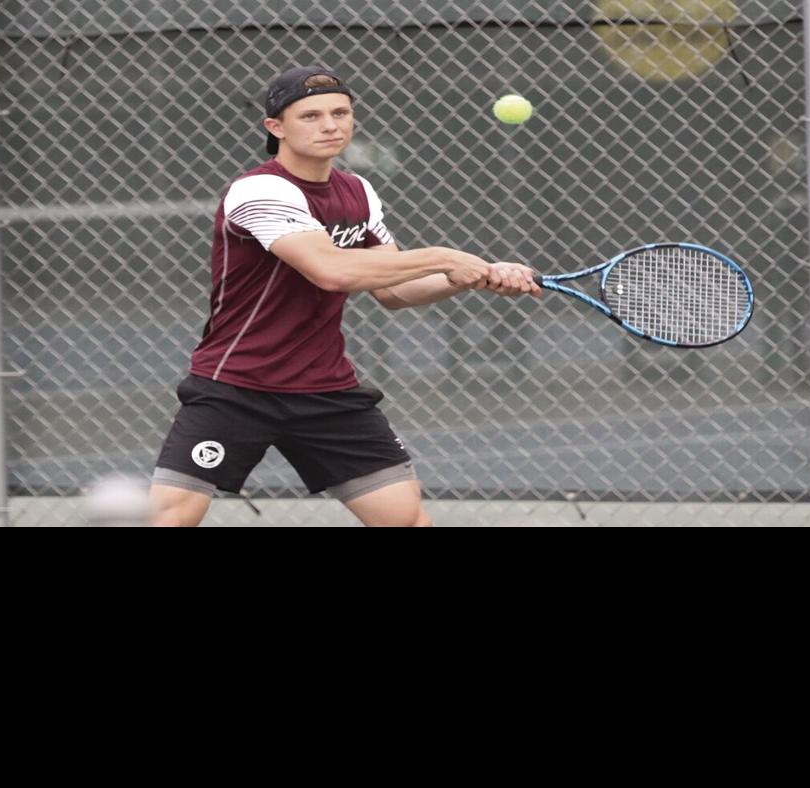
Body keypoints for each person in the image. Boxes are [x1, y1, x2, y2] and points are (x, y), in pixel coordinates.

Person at [148, 65, 541, 526]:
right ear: (276, 127)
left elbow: (394, 290)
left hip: (327, 391)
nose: (331, 125)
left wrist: (470, 278)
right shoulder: (259, 190)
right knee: (170, 519)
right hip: (237, 386)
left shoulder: (358, 190)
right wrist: (444, 257)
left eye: (340, 112)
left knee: (406, 519)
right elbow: (330, 271)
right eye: (310, 115)